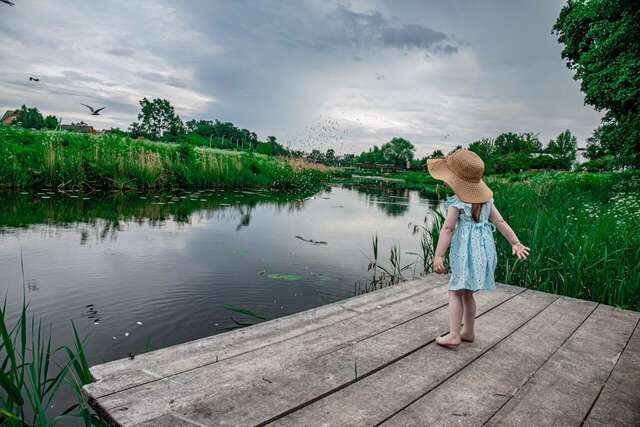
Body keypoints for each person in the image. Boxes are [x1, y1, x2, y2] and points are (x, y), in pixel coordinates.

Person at [426, 149, 529, 348]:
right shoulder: (487, 200)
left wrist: (438, 255)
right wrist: (515, 242)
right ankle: (469, 331)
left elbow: (447, 229)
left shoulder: (457, 203)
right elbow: (500, 221)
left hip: (465, 253)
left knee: (455, 291)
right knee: (467, 293)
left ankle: (454, 334)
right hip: (483, 252)